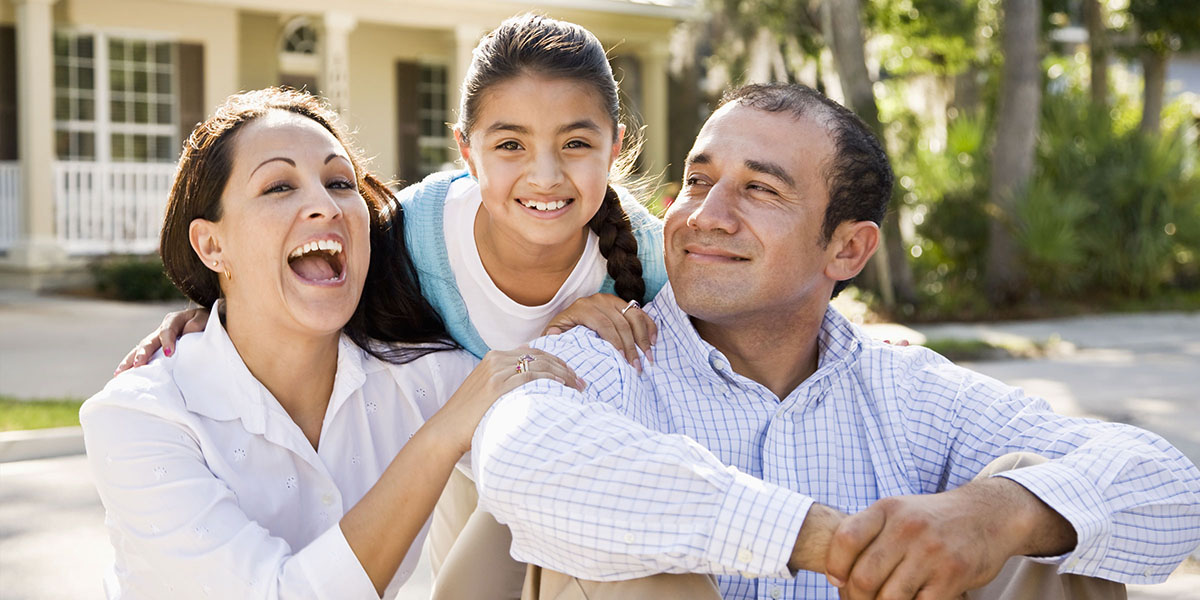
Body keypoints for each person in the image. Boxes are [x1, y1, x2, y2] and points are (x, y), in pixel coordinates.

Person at [468, 83, 1200, 600]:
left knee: (1045, 497)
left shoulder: (912, 392)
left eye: (760, 189)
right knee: (625, 548)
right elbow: (518, 455)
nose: (705, 216)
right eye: (697, 181)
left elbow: (1169, 485)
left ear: (847, 251)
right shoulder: (606, 353)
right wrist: (824, 540)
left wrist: (998, 517)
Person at [110, 14, 669, 599]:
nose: (545, 174)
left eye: (576, 143)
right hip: (461, 446)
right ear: (467, 152)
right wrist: (219, 308)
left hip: (544, 452)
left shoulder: (642, 259)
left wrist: (565, 345)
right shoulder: (412, 242)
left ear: (615, 148)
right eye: (510, 144)